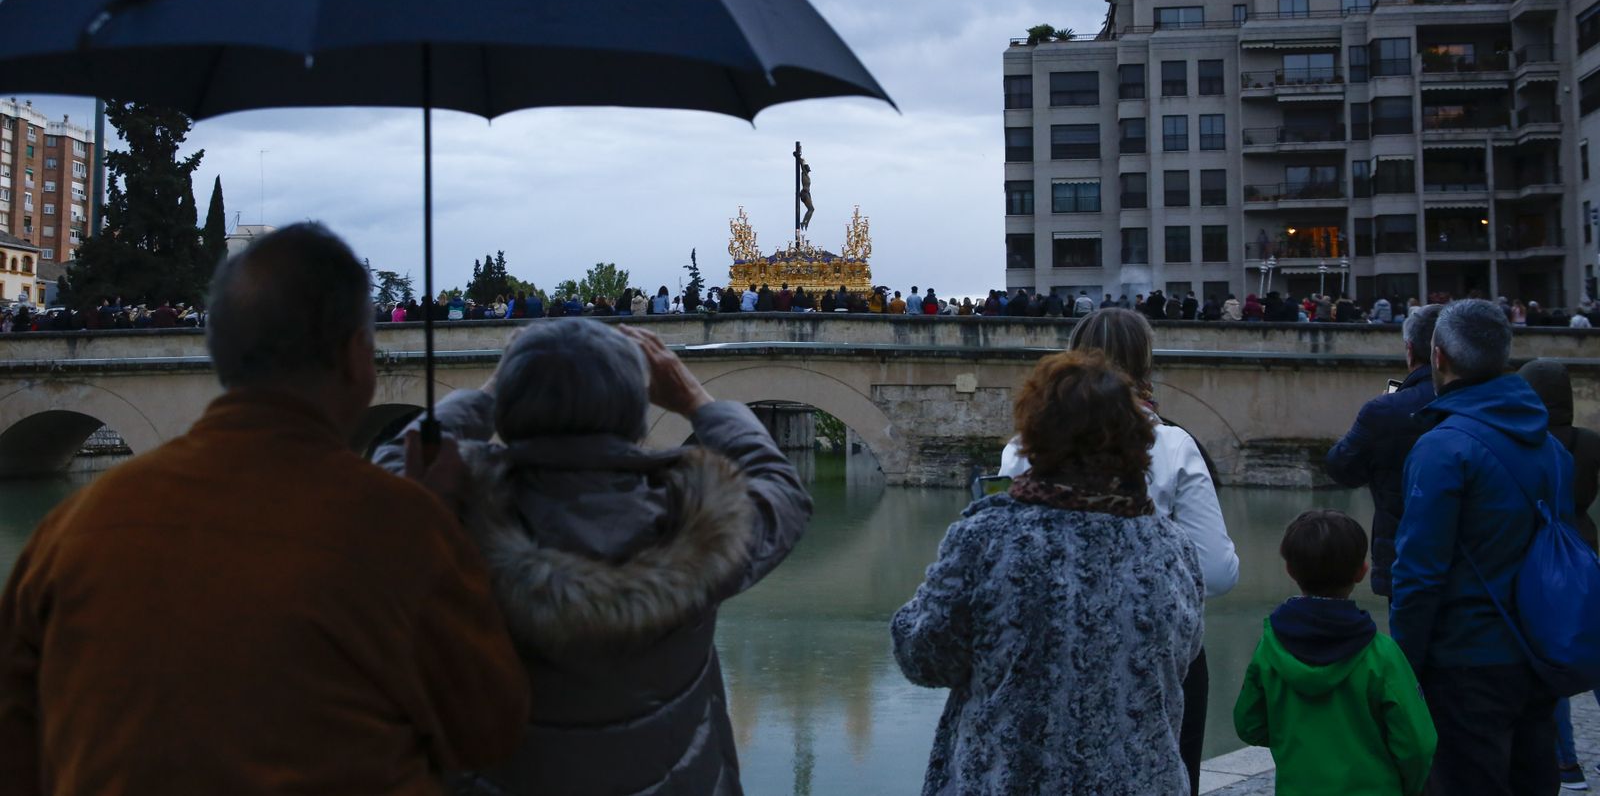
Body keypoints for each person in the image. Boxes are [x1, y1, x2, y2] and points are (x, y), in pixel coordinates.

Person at [0, 223, 528, 793]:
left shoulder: (69, 530)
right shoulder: (402, 525)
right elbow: (489, 730)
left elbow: (15, 746)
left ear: (218, 351)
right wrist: (444, 521)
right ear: (357, 357)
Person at [376, 320, 811, 794]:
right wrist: (695, 400)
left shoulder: (445, 524)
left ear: (508, 410)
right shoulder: (701, 527)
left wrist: (490, 391)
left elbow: (391, 465)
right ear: (637, 415)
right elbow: (780, 486)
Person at [894, 350, 1204, 795]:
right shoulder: (1173, 548)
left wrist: (911, 615)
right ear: (1137, 439)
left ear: (1035, 435)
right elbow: (1182, 658)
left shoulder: (989, 538)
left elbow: (924, 656)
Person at [999, 308, 1237, 793]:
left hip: (1049, 649)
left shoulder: (1020, 450)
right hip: (1158, 650)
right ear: (1145, 365)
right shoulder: (1172, 445)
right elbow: (1216, 573)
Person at [1391, 299, 1573, 795]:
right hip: (1538, 652)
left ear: (1438, 357)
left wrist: (1401, 669)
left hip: (1465, 661)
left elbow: (1419, 574)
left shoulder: (1442, 448)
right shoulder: (1551, 447)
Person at [1234, 510, 1436, 795]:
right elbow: (1418, 745)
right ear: (1362, 571)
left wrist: (1294, 741)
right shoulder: (1382, 655)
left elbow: (1248, 724)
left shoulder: (1270, 650)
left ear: (1289, 570)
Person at [1518, 359, 1600, 788]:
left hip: (1542, 560)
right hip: (1586, 551)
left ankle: (1567, 763)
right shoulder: (1588, 442)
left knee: (1550, 661)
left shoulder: (1529, 443)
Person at [1323, 305, 1441, 597]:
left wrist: (1376, 421)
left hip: (1405, 562)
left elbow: (1340, 467)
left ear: (1409, 350)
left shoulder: (1387, 410)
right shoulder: (1492, 404)